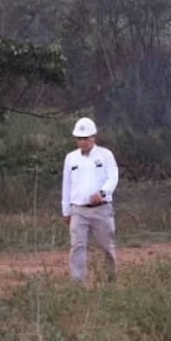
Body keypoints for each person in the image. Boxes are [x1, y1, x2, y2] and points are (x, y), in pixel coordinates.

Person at [61, 116, 119, 282]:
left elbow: (113, 177)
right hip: (78, 210)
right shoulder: (71, 158)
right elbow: (67, 184)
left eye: (86, 138)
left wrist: (102, 192)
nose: (83, 142)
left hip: (101, 208)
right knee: (77, 247)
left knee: (107, 246)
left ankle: (111, 279)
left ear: (93, 137)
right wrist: (66, 210)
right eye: (79, 138)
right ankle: (77, 283)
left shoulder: (105, 155)